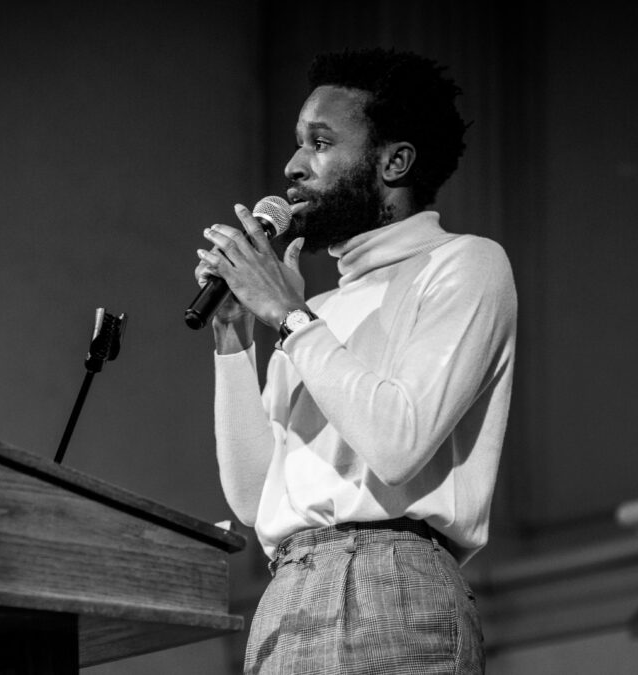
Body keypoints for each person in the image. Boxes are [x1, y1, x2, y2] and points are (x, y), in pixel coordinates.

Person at [193, 48, 517, 674]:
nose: (292, 166)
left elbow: (398, 444)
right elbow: (258, 500)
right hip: (289, 587)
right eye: (298, 144)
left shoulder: (466, 265)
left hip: (391, 584)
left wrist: (291, 321)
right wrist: (234, 340)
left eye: (319, 143)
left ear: (394, 161)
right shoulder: (318, 310)